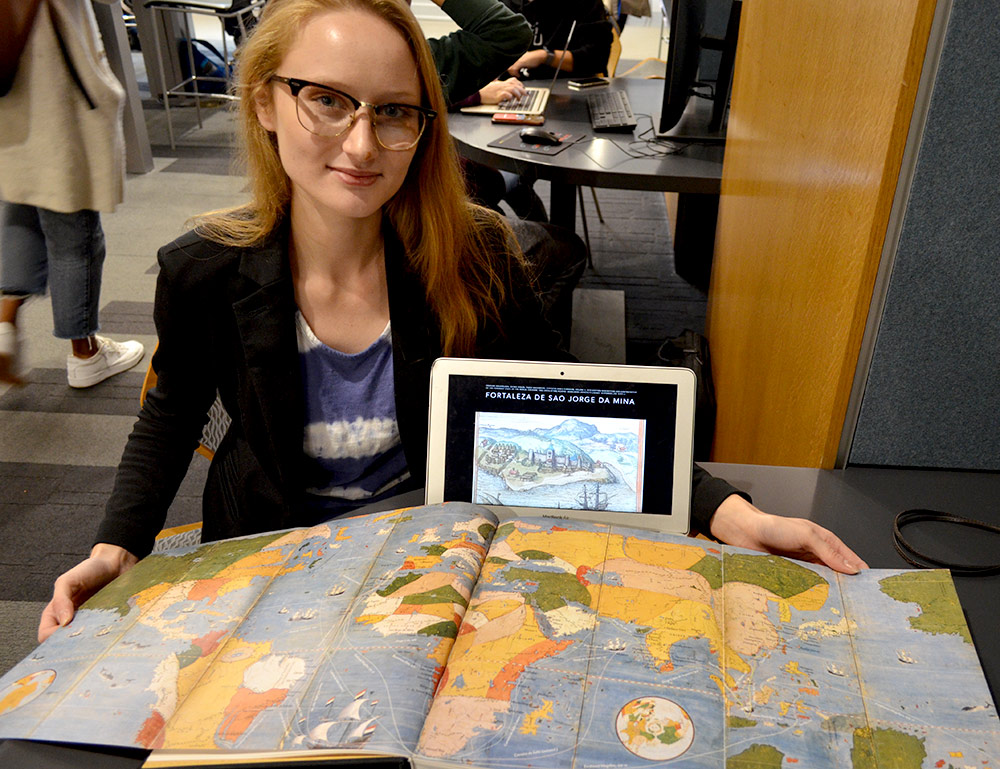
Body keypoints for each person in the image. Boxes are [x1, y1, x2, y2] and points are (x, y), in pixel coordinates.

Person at [38, 0, 866, 643]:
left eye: (393, 112)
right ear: (265, 102)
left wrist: (724, 510)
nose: (362, 145)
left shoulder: (471, 251)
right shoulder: (202, 269)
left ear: (422, 126)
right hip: (274, 548)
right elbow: (171, 409)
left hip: (428, 552)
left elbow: (565, 406)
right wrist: (118, 542)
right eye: (326, 101)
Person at [0, 0, 145, 388]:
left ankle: (3, 325)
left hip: (11, 98)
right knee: (74, 234)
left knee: (22, 204)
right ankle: (86, 353)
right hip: (58, 95)